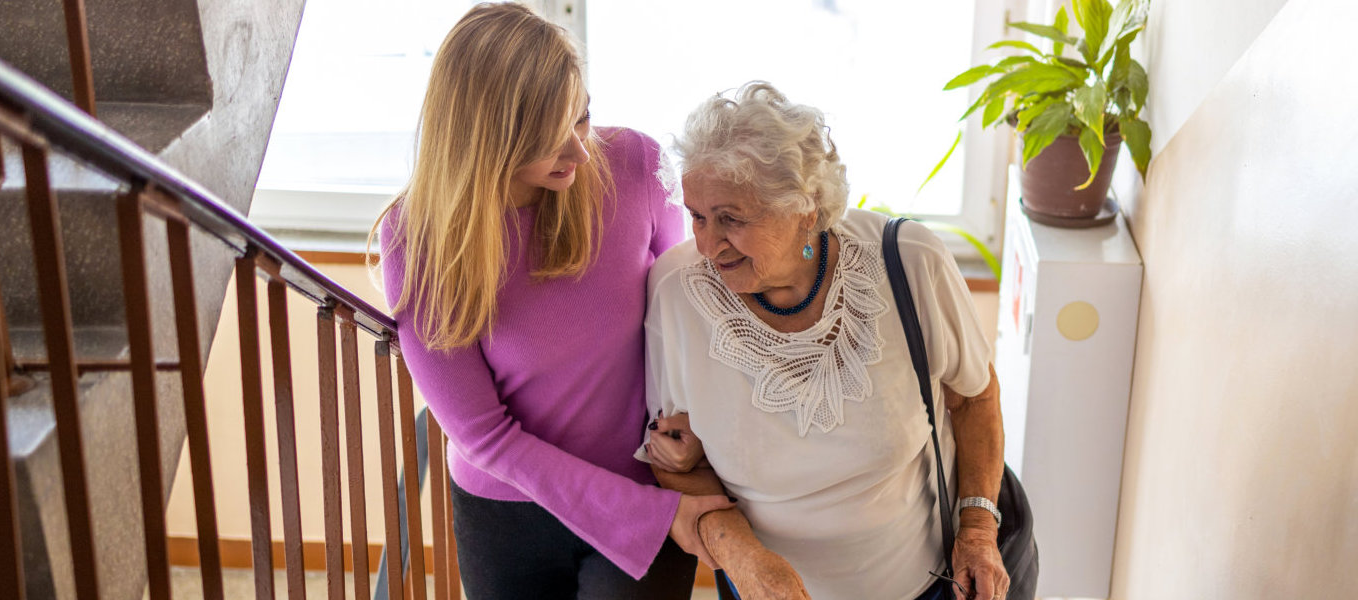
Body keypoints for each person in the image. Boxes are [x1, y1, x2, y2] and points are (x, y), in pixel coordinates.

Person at [371, 4, 732, 597]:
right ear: (486, 137)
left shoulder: (635, 165)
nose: (580, 152)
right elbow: (484, 436)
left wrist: (693, 426)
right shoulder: (418, 239)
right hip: (506, 511)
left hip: (648, 481)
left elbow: (691, 313)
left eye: (582, 117)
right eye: (547, 137)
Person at [638, 82, 1012, 600]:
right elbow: (675, 460)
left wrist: (977, 531)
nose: (706, 244)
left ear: (806, 210)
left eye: (731, 219)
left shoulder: (911, 262)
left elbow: (974, 398)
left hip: (927, 585)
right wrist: (744, 559)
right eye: (697, 216)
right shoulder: (675, 292)